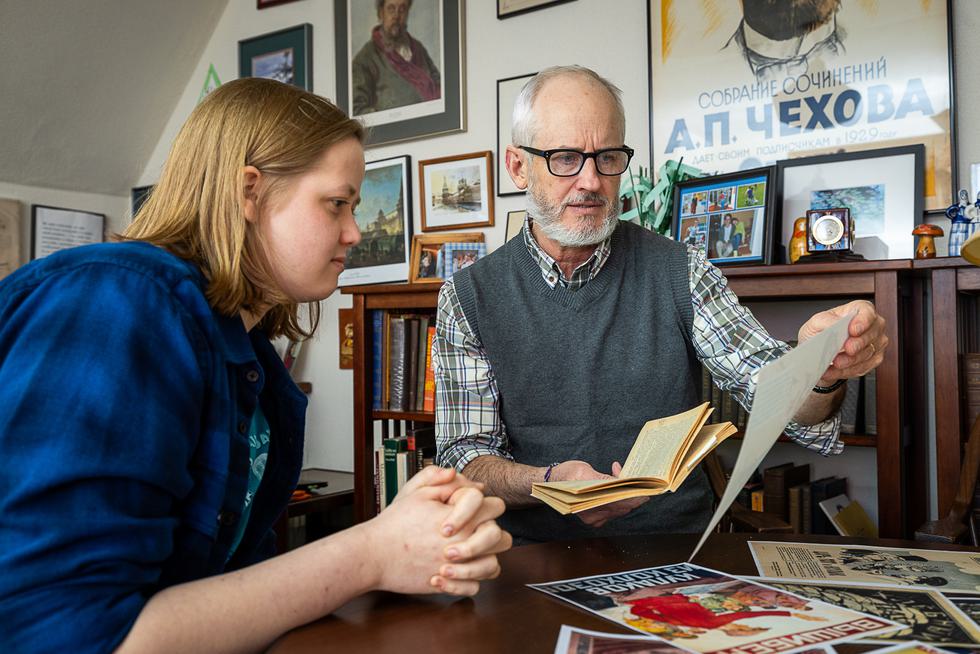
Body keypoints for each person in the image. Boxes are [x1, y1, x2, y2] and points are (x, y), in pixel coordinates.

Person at [0, 78, 510, 652]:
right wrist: (371, 553)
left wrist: (418, 545)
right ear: (250, 192)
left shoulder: (252, 358)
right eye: (337, 204)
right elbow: (73, 633)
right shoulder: (116, 301)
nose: (354, 232)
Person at [432, 65, 887, 546]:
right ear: (519, 166)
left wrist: (822, 367)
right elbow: (466, 459)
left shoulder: (681, 271)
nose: (590, 181)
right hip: (529, 561)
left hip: (674, 552)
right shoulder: (468, 296)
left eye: (607, 157)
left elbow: (784, 402)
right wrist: (547, 482)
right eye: (565, 158)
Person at [352, 0, 441, 116]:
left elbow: (439, 84)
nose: (396, 16)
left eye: (402, 9)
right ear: (381, 13)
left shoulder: (418, 48)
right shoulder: (365, 59)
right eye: (391, 9)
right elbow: (358, 110)